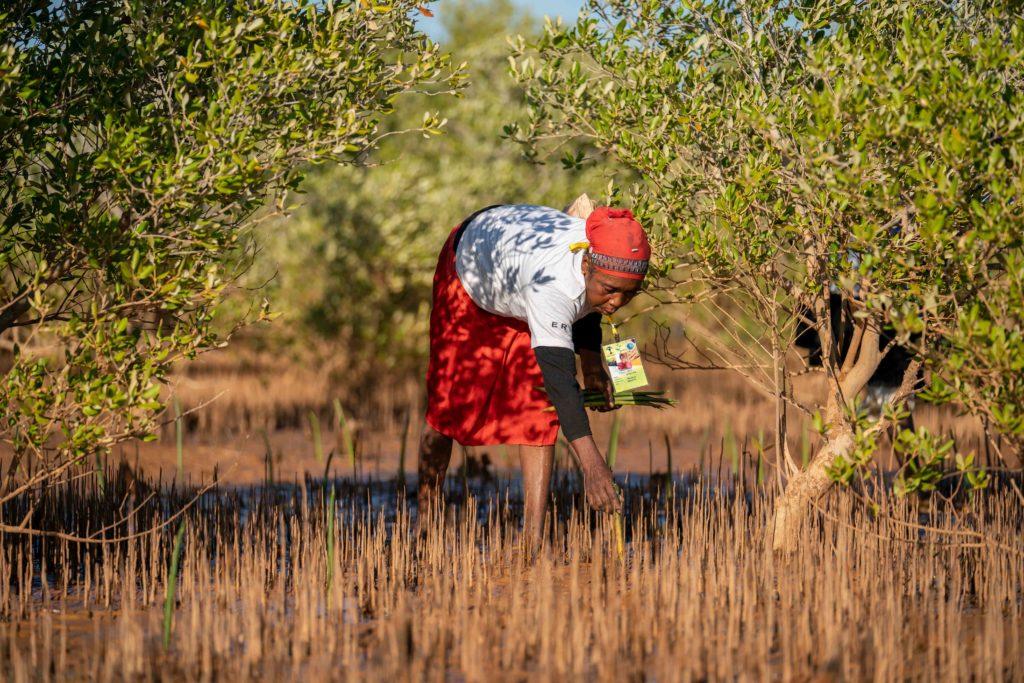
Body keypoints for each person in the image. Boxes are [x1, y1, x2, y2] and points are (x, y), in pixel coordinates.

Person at [416, 203, 651, 544]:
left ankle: (533, 542)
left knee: (538, 414)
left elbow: (588, 306)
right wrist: (593, 466)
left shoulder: (599, 266)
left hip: (522, 274)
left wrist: (592, 365)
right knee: (447, 408)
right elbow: (560, 381)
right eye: (612, 290)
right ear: (585, 265)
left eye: (629, 293)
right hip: (470, 272)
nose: (616, 302)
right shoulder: (552, 288)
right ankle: (426, 524)